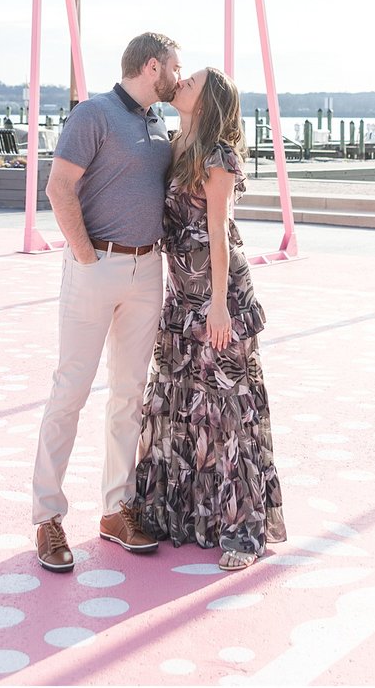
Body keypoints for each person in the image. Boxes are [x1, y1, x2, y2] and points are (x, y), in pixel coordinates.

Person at [31, 31, 181, 573]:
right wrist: (86, 259)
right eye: (173, 67)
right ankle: (47, 517)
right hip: (95, 266)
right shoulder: (93, 114)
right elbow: (58, 187)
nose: (177, 76)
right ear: (150, 66)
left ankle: (115, 509)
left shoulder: (157, 122)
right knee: (69, 392)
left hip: (147, 271)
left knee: (127, 396)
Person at [135, 66, 286, 570]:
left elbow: (218, 232)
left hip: (217, 295)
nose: (181, 84)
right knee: (182, 406)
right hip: (182, 297)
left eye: (192, 82)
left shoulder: (219, 154)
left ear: (208, 99)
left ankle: (243, 531)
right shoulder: (177, 146)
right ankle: (187, 515)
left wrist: (219, 303)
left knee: (226, 410)